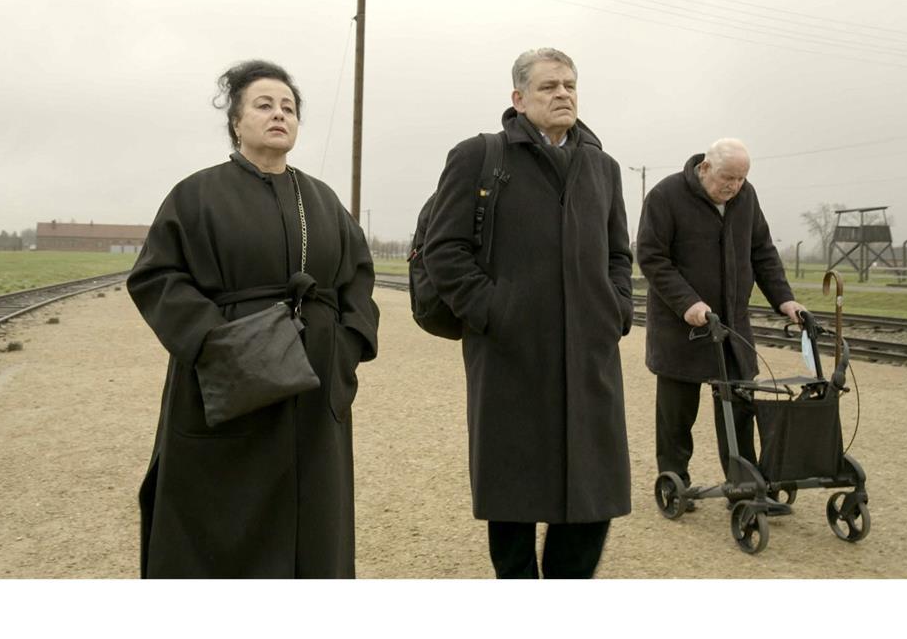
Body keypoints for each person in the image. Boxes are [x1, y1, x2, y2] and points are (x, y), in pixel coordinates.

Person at [127, 59, 379, 578]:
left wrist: (346, 348)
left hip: (314, 394)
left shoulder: (324, 200)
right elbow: (156, 278)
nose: (279, 115)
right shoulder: (196, 195)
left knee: (314, 526)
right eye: (264, 105)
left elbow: (358, 278)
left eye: (288, 107)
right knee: (222, 523)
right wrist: (220, 345)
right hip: (229, 383)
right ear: (237, 122)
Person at [423, 48, 633, 579]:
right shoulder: (479, 156)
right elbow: (443, 250)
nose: (563, 94)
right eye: (548, 87)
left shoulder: (602, 167)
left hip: (589, 353)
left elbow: (617, 254)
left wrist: (616, 310)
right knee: (512, 495)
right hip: (511, 354)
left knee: (594, 494)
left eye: (569, 85)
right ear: (518, 99)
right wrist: (496, 311)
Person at [636, 138, 805, 500]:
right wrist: (689, 304)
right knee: (677, 416)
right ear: (705, 168)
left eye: (742, 178)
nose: (734, 186)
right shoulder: (666, 196)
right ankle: (673, 480)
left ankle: (744, 485)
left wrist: (785, 300)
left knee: (739, 408)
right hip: (682, 329)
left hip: (732, 327)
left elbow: (762, 251)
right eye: (728, 177)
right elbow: (652, 258)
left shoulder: (746, 198)